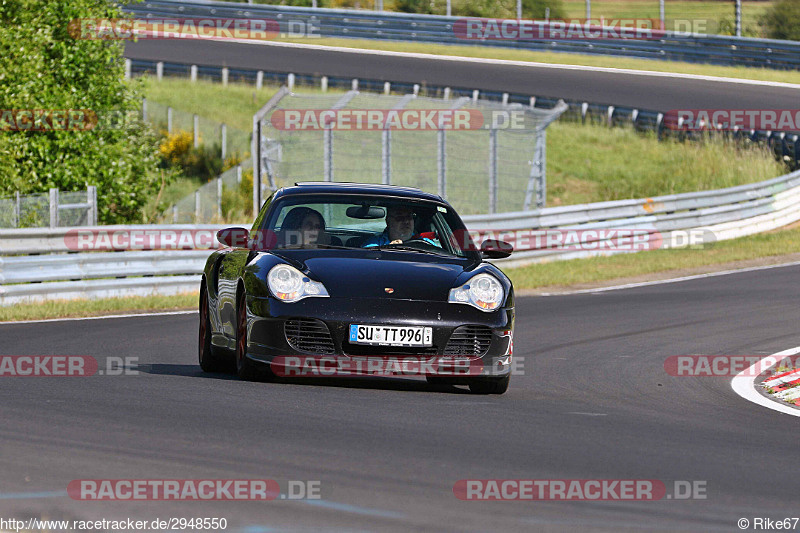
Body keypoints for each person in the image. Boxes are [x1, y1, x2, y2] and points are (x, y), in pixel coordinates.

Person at [362, 206, 437, 248]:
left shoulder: (426, 243)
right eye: (400, 217)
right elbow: (367, 263)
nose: (406, 221)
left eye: (409, 216)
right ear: (388, 221)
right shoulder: (375, 243)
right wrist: (389, 249)